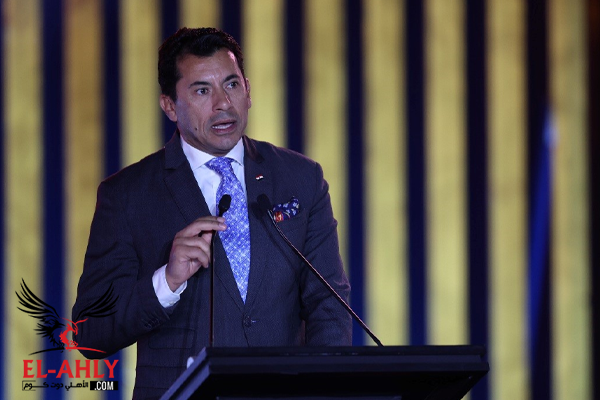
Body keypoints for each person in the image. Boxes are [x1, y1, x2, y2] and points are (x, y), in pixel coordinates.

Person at [72, 27, 352, 399]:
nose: (223, 103)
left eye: (232, 85)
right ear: (170, 106)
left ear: (248, 91)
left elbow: (328, 304)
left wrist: (324, 389)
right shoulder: (127, 195)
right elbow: (89, 332)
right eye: (202, 91)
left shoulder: (300, 178)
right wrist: (166, 282)